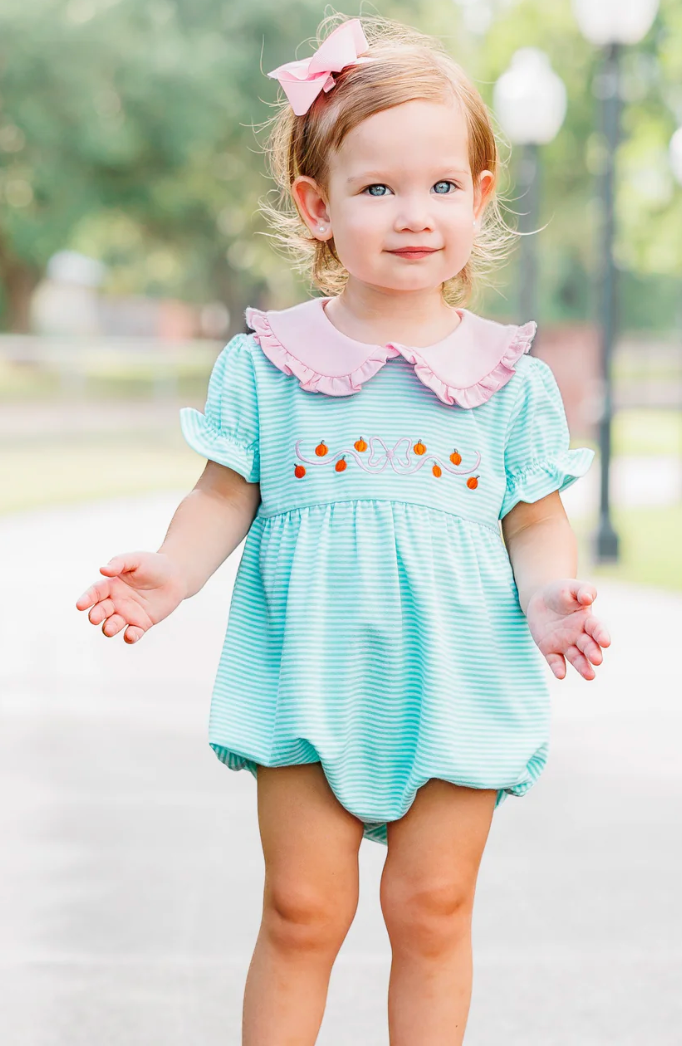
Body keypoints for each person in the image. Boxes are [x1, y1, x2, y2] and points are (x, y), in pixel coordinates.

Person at [75, 14, 612, 1045]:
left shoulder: (512, 380)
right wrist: (171, 574)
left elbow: (534, 521)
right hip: (306, 668)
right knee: (302, 910)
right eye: (377, 189)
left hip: (457, 673)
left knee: (431, 909)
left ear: (482, 196)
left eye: (441, 186)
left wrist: (550, 597)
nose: (414, 214)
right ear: (319, 208)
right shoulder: (268, 363)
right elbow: (225, 493)